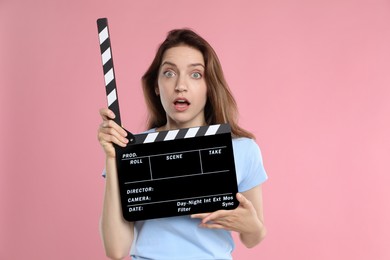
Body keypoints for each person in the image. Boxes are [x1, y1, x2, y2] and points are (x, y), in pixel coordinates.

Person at [98, 28, 268, 260]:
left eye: (195, 74)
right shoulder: (131, 151)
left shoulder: (243, 149)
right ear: (156, 86)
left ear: (210, 87)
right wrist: (112, 157)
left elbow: (253, 239)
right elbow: (116, 251)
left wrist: (252, 226)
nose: (180, 85)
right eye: (169, 73)